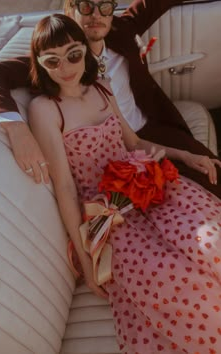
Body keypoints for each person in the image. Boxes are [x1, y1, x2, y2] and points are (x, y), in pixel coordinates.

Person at [28, 13, 221, 354]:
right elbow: (66, 189)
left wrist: (184, 157)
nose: (66, 67)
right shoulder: (45, 109)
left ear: (84, 51)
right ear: (41, 64)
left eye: (74, 54)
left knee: (212, 242)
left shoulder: (101, 87)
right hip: (109, 214)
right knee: (177, 282)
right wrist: (88, 263)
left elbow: (133, 144)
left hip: (149, 184)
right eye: (52, 61)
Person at [0, 0, 221, 197]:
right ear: (70, 11)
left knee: (212, 173)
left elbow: (153, 2)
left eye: (104, 6)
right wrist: (15, 128)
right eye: (86, 6)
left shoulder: (122, 30)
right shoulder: (55, 61)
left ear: (112, 11)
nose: (96, 15)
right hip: (112, 155)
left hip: (154, 132)